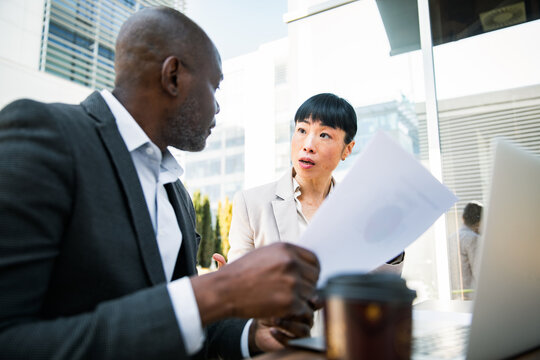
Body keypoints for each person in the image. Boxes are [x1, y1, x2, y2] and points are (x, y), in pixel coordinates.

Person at [0, 7, 320, 360]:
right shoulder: (46, 134)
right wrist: (219, 290)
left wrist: (253, 335)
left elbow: (178, 316)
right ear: (173, 76)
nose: (217, 108)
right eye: (214, 88)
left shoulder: (175, 190)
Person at [223, 93, 404, 335]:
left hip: (342, 344)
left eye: (324, 135)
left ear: (347, 149)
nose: (308, 144)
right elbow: (239, 291)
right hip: (279, 347)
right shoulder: (250, 203)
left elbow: (377, 291)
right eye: (301, 130)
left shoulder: (359, 211)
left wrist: (391, 242)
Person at [456, 202, 483, 299]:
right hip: (471, 297)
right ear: (479, 222)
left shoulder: (453, 237)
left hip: (457, 294)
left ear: (463, 218)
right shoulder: (473, 238)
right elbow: (479, 272)